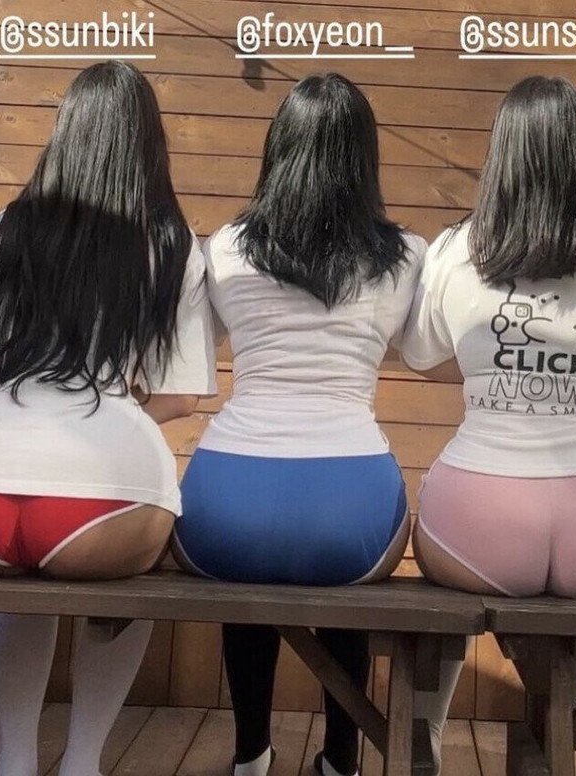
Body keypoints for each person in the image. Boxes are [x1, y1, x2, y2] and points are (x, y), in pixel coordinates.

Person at [0, 61, 217, 776]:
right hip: (98, 502)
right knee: (126, 593)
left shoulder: (3, 229)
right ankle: (82, 763)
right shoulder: (170, 242)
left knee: (18, 578)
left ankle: (12, 760)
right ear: (148, 141)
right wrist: (109, 417)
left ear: (63, 130)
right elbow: (181, 396)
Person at [399, 75, 576, 772]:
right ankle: (549, 743)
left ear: (502, 155)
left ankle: (423, 733)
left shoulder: (455, 250)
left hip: (478, 513)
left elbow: (425, 356)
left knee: (446, 594)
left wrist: (492, 378)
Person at [171, 73, 427, 776]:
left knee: (245, 582)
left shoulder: (225, 247)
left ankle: (250, 755)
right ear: (364, 156)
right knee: (345, 597)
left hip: (227, 494)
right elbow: (421, 350)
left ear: (277, 149)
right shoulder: (406, 254)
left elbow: (193, 360)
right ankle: (341, 760)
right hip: (353, 495)